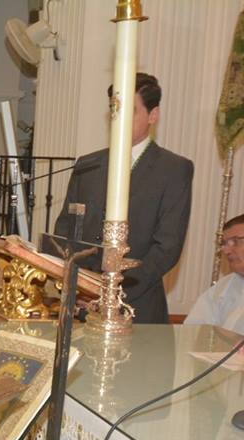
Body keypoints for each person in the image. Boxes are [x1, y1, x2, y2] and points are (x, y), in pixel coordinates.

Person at [53, 73, 193, 323]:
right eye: (114, 109)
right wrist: (79, 284)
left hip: (137, 307)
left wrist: (111, 292)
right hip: (82, 305)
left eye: (130, 111)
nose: (118, 118)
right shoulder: (89, 165)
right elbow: (66, 228)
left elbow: (167, 248)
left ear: (153, 115)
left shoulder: (173, 169)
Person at [185, 214, 244, 334]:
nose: (226, 250)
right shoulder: (224, 287)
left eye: (235, 241)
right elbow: (193, 332)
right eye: (224, 243)